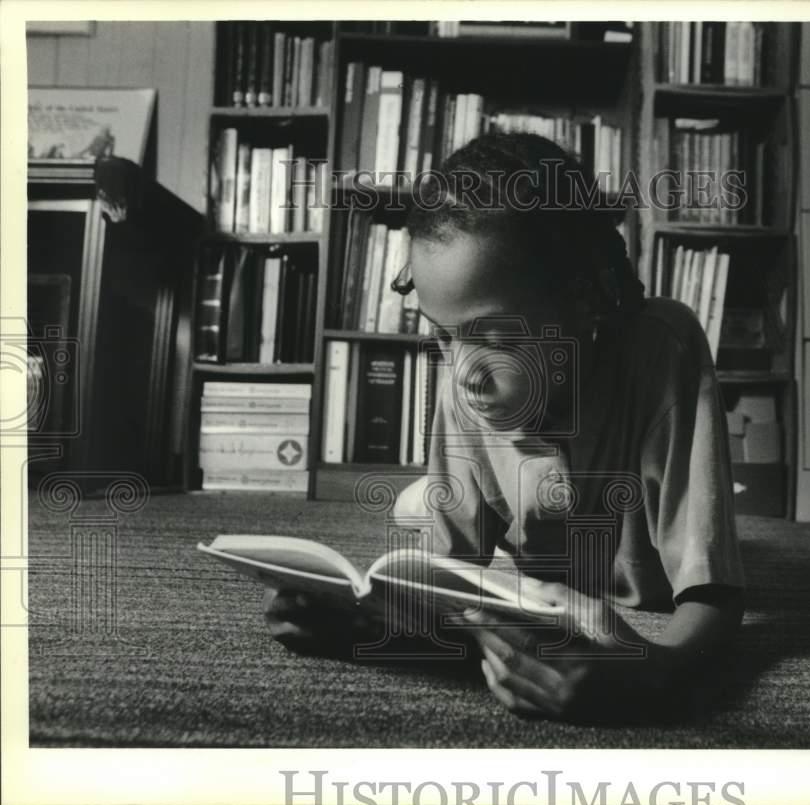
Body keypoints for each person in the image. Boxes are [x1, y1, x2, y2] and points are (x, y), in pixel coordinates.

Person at [265, 132, 744, 722]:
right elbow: (445, 578)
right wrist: (359, 623)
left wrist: (656, 673)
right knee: (421, 519)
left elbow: (714, 596)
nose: (463, 372)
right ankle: (417, 500)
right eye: (442, 335)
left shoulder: (664, 349)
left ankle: (414, 499)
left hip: (637, 578)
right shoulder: (467, 378)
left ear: (584, 301)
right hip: (535, 578)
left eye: (495, 338)